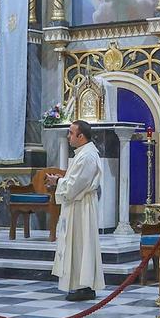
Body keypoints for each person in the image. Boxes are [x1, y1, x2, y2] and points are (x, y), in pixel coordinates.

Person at [52, 120, 103, 301]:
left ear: (81, 136)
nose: (68, 136)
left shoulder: (87, 156)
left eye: (71, 133)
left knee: (82, 245)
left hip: (82, 208)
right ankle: (77, 285)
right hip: (77, 205)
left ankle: (84, 286)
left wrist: (58, 182)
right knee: (76, 245)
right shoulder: (82, 153)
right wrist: (61, 180)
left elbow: (74, 186)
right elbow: (74, 181)